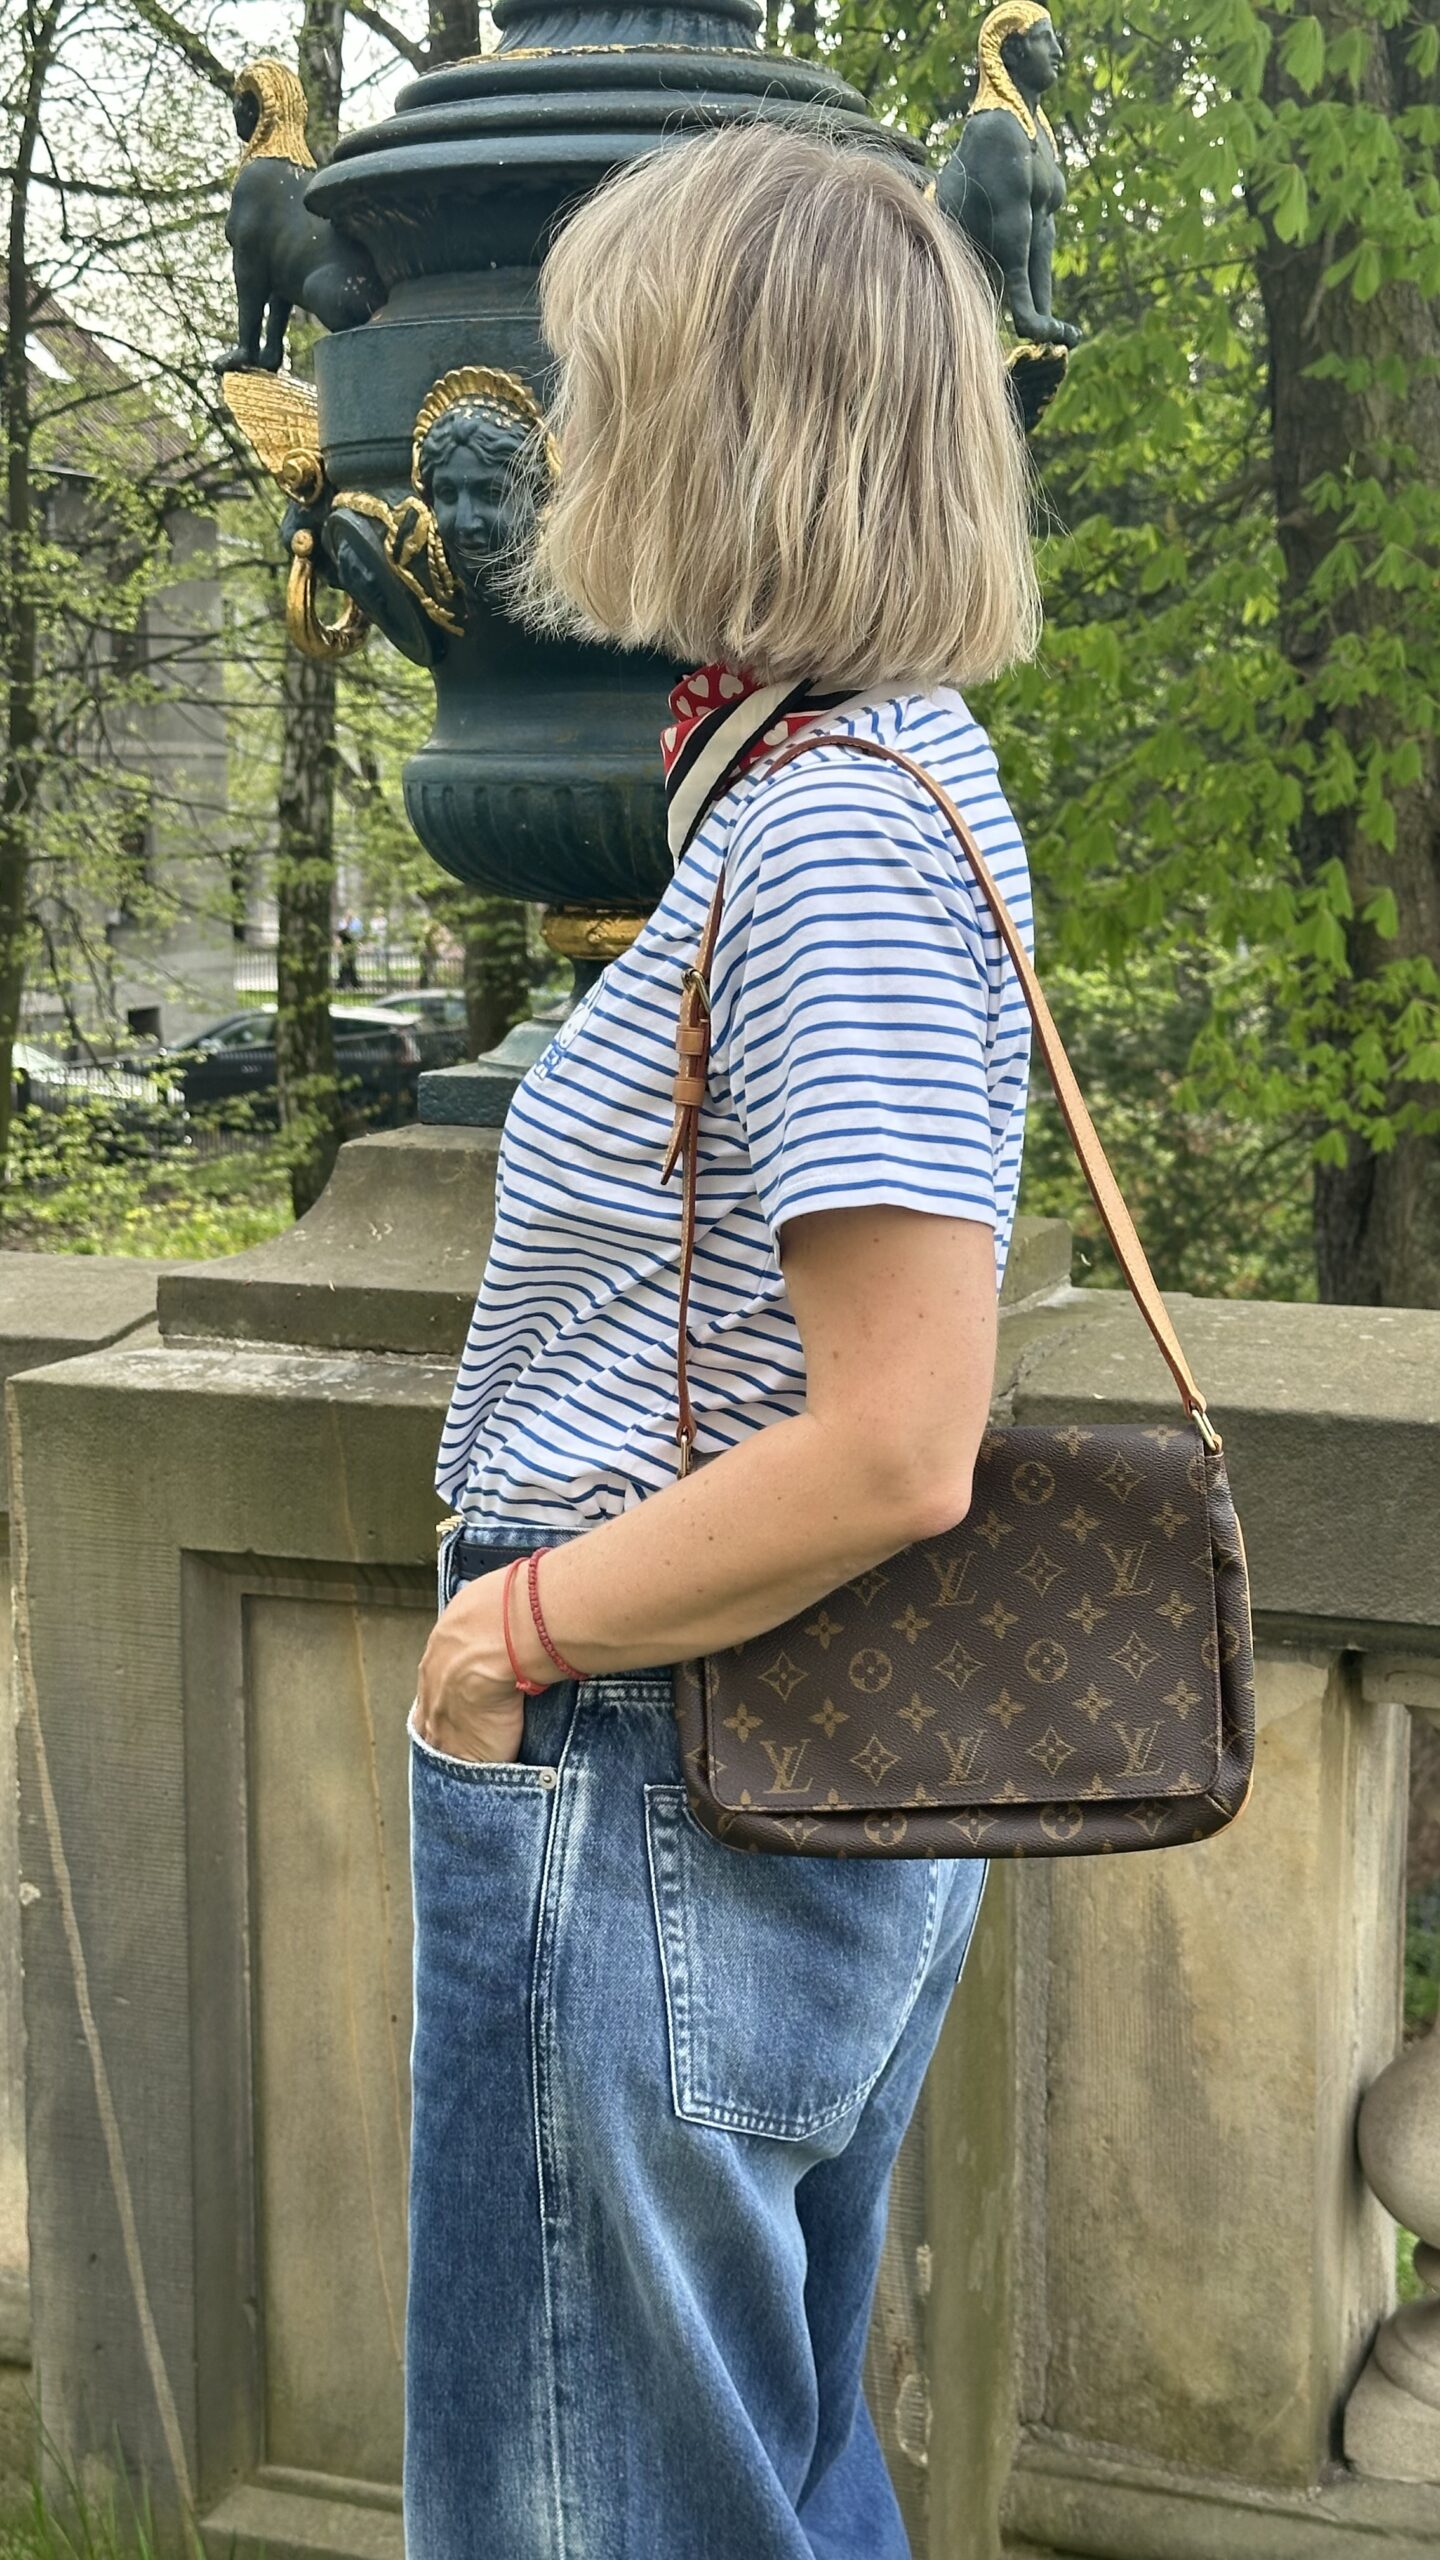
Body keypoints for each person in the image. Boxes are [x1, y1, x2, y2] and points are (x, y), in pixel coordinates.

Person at [407, 122, 1040, 2560]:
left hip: (663, 1752)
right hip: (720, 1758)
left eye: (606, 371)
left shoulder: (832, 827)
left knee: (591, 2496)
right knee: (735, 2468)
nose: (570, 424)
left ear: (724, 418)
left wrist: (513, 1633)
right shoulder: (852, 779)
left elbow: (900, 1438)